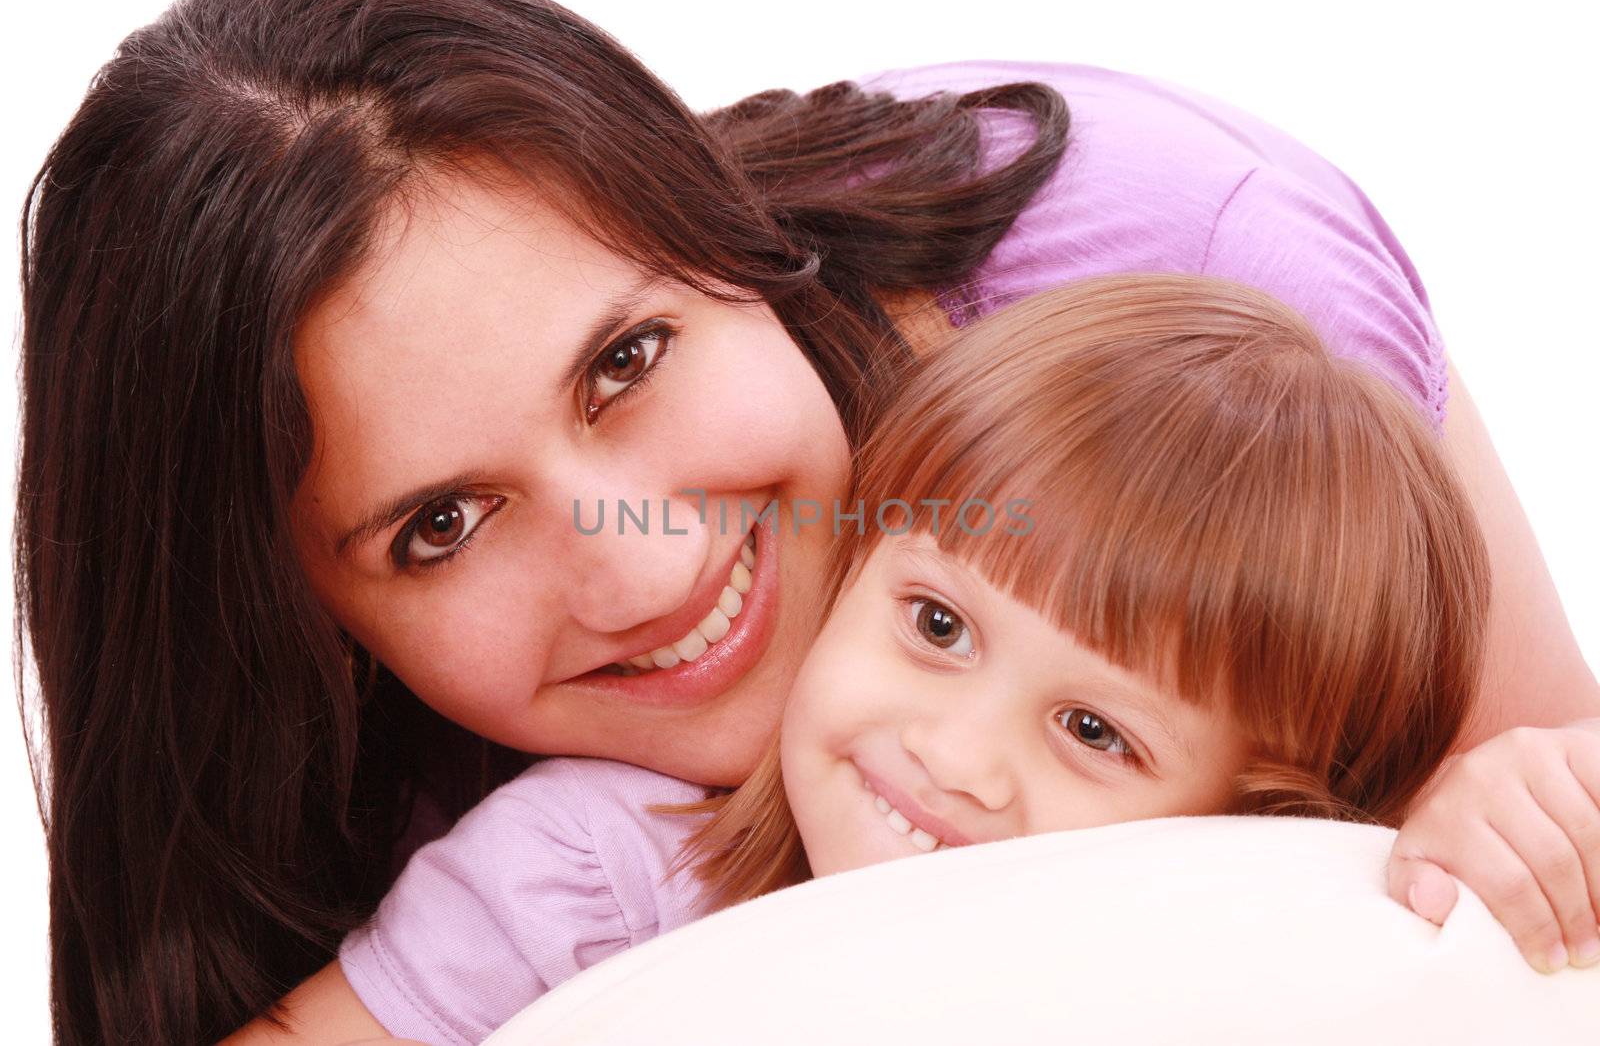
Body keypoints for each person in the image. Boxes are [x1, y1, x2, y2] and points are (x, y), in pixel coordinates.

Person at [15, 0, 1597, 1042]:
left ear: (730, 234)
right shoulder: (567, 854)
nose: (652, 563)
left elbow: (1549, 864)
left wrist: (1493, 815)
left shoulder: (1225, 331)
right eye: (440, 523)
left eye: (628, 359)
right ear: (309, 637)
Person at [261, 275, 1494, 1044]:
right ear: (854, 566)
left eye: (1094, 730)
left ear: (1245, 824)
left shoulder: (1218, 984)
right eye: (938, 625)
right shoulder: (597, 878)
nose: (951, 755)